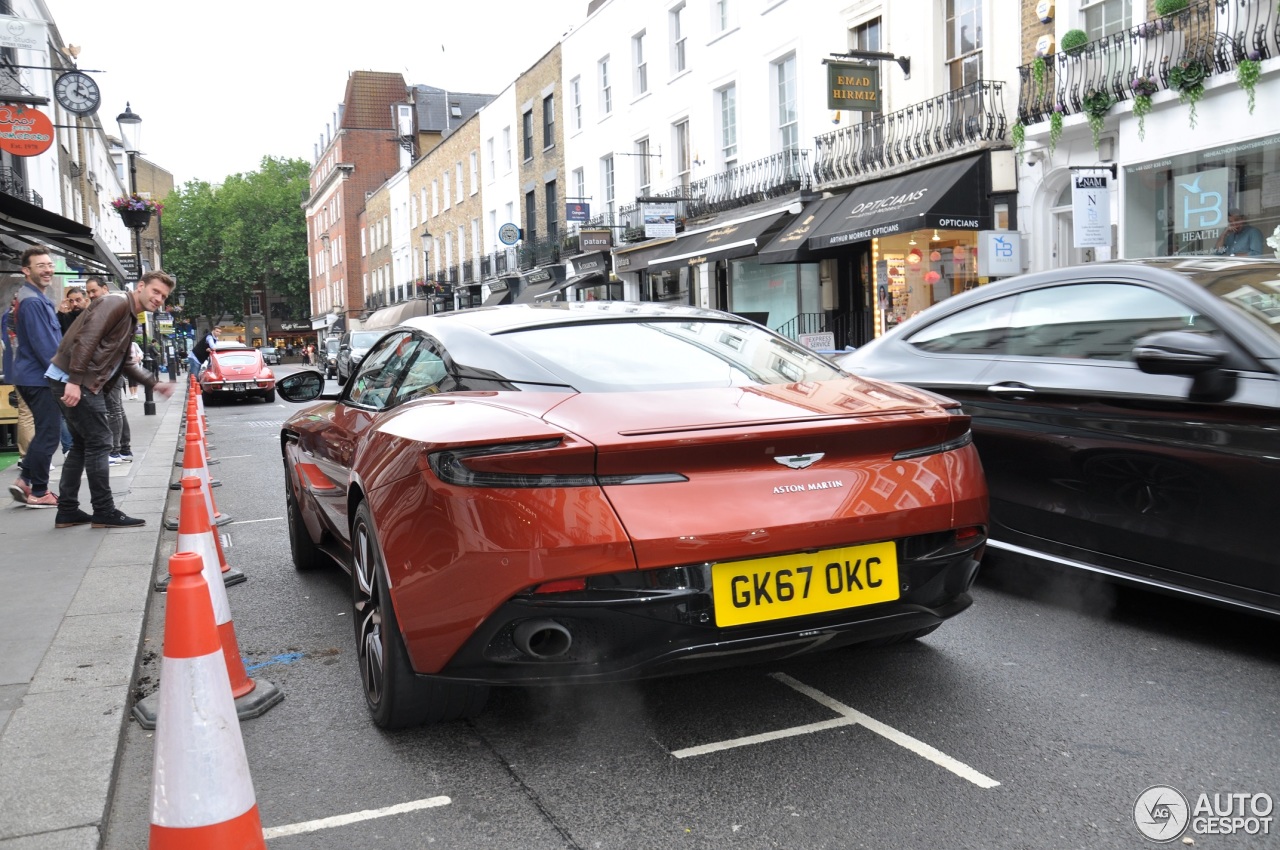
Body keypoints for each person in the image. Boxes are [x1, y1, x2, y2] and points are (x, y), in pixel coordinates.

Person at [46, 270, 176, 529]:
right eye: (155, 291)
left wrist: (155, 383)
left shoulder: (129, 315)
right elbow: (87, 340)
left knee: (83, 445)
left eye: (163, 296)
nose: (158, 299)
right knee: (100, 442)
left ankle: (68, 511)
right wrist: (74, 380)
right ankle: (104, 511)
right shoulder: (114, 302)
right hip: (76, 380)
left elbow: (124, 362)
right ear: (141, 286)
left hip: (70, 378)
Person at [7, 247, 63, 508]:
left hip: (31, 376)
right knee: (49, 434)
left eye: (49, 265)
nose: (48, 269)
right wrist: (66, 376)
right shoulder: (33, 301)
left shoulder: (31, 297)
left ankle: (25, 480)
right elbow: (46, 347)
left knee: (44, 431)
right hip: (40, 378)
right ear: (26, 270)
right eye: (40, 266)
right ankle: (39, 491)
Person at [84, 281, 133, 465]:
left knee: (113, 409)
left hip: (109, 368)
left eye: (94, 290)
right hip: (110, 367)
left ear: (105, 289)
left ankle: (114, 451)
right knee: (116, 408)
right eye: (88, 292)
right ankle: (124, 448)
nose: (91, 295)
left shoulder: (110, 309)